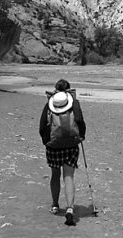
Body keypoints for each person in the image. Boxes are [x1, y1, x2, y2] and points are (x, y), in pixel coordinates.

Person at [39, 78, 86, 225]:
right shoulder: (74, 103)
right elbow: (79, 121)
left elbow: (42, 127)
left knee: (55, 174)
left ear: (55, 89)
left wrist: (47, 142)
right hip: (71, 145)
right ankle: (70, 209)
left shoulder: (49, 104)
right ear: (68, 90)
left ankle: (55, 205)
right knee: (69, 176)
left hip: (53, 146)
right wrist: (81, 136)